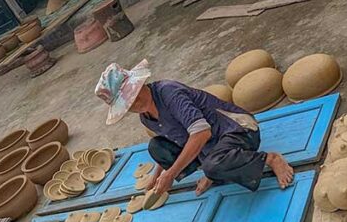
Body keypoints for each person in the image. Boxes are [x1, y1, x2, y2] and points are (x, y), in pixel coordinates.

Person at [95, 61, 294, 196]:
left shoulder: (168, 93)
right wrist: (156, 178)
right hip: (209, 146)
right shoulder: (146, 118)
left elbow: (202, 133)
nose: (134, 104)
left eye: (135, 95)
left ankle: (269, 158)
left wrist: (171, 174)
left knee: (213, 165)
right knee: (157, 147)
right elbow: (174, 140)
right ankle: (213, 170)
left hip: (236, 130)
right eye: (128, 104)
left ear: (141, 84)